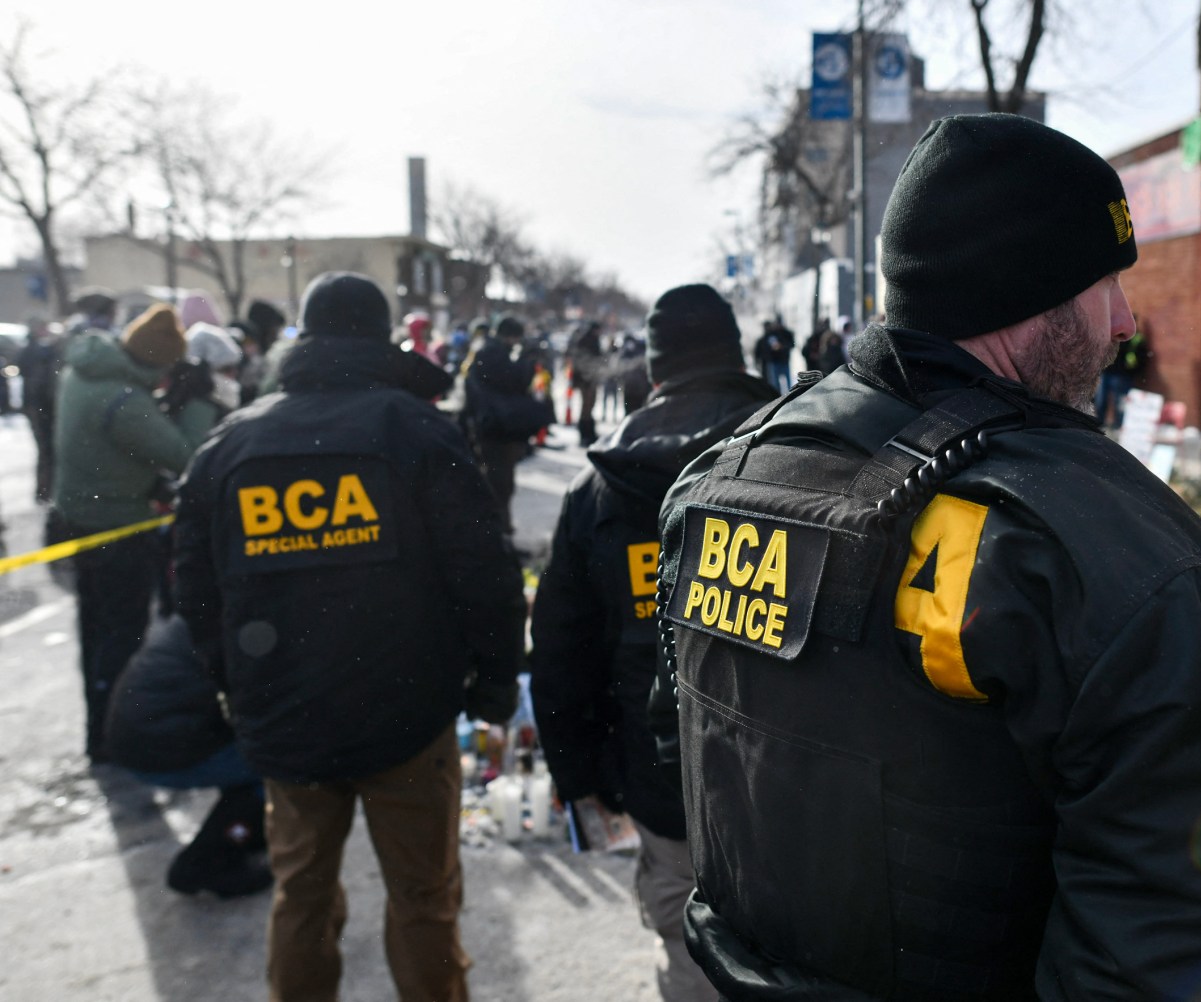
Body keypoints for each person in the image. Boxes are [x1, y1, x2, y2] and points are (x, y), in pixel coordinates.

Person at [653, 114, 1201, 1000]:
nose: (1125, 322)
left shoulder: (720, 479)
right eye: (1104, 284)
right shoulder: (1103, 550)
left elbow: (685, 755)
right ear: (1027, 293)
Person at [173, 272, 526, 1002]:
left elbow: (195, 591)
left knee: (300, 897)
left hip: (287, 718)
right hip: (406, 714)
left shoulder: (231, 444)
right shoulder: (415, 429)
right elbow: (482, 573)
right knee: (424, 899)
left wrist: (232, 684)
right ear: (378, 337)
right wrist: (493, 681)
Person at [530, 284, 775, 1002]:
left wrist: (581, 777)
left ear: (655, 367)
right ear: (736, 352)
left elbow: (560, 655)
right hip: (787, 773)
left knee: (686, 945)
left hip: (660, 773)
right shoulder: (802, 448)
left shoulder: (596, 493)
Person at [53, 303, 209, 763]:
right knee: (122, 637)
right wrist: (197, 402)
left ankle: (96, 730)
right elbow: (187, 455)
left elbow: (111, 449)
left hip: (81, 520)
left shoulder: (84, 373)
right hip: (118, 530)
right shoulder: (125, 401)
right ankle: (117, 735)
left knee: (94, 631)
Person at [105, 613, 272, 899]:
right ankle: (205, 862)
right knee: (274, 765)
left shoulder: (207, 608)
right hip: (159, 747)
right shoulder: (241, 623)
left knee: (259, 753)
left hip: (141, 737)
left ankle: (243, 831)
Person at [465, 316, 549, 535]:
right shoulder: (490, 353)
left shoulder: (490, 351)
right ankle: (496, 533)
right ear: (509, 336)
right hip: (494, 429)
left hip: (495, 428)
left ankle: (500, 530)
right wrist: (527, 361)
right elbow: (514, 380)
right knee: (499, 483)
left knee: (501, 482)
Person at [16, 317, 59, 503]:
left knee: (46, 450)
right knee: (46, 449)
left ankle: (45, 490)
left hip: (37, 406)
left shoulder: (32, 349)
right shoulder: (35, 350)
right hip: (39, 406)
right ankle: (44, 491)